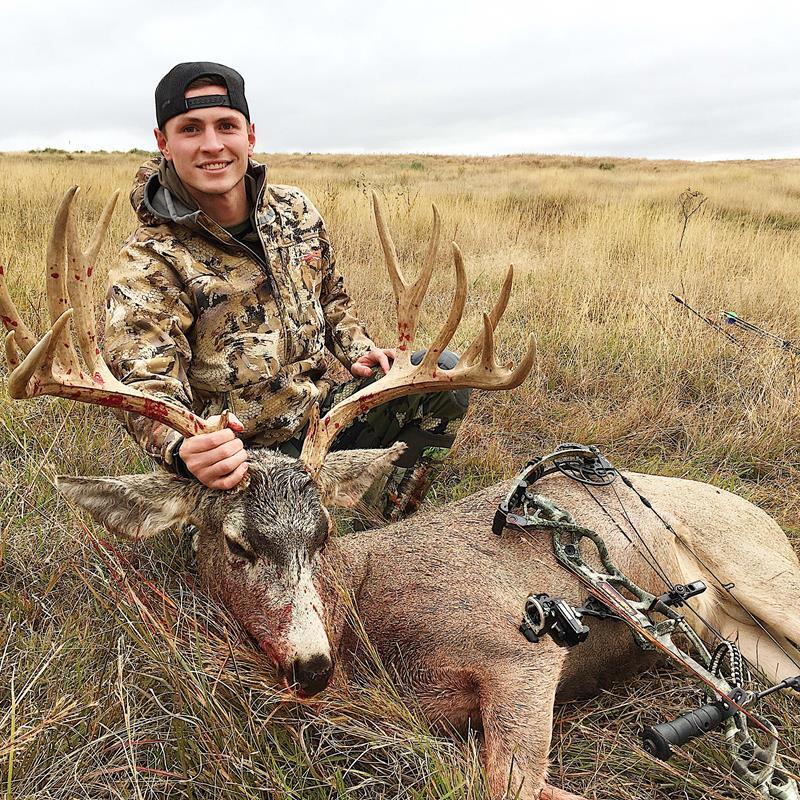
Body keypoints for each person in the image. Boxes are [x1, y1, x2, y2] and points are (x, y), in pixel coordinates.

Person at [104, 61, 469, 522]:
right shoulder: (149, 260)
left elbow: (330, 296)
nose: (212, 144)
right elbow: (143, 384)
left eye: (226, 126)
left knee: (441, 378)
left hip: (317, 424)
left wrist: (358, 348)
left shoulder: (293, 210)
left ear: (250, 135)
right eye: (190, 129)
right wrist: (184, 448)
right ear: (164, 142)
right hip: (237, 461)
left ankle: (378, 525)